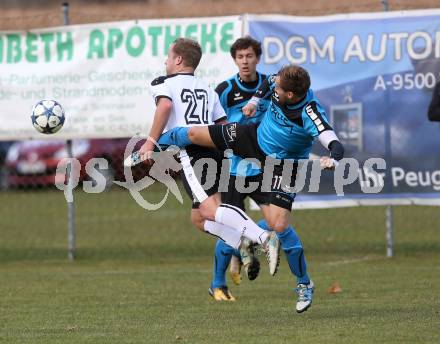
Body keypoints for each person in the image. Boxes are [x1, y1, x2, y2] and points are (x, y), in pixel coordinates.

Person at [157, 64, 345, 313]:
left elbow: (332, 140)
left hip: (285, 165)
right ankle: (153, 144)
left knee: (279, 225)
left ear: (290, 95)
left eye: (278, 88)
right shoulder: (279, 83)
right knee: (194, 134)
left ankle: (304, 283)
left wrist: (333, 158)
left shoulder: (309, 112)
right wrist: (256, 101)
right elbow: (267, 84)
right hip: (253, 138)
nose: (274, 87)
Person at [139, 38, 280, 302]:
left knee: (211, 211)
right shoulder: (206, 88)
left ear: (179, 60)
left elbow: (165, 106)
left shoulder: (163, 83)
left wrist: (151, 142)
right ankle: (242, 242)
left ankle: (262, 237)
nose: (166, 62)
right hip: (214, 149)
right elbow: (222, 123)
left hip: (191, 152)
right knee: (199, 218)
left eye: (169, 57)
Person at [209, 37, 277, 302]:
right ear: (235, 60)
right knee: (229, 228)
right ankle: (217, 284)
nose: (245, 61)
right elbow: (212, 125)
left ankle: (242, 249)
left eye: (249, 56)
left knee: (276, 222)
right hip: (233, 170)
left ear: (257, 58)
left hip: (263, 168)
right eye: (240, 57)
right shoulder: (225, 89)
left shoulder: (269, 86)